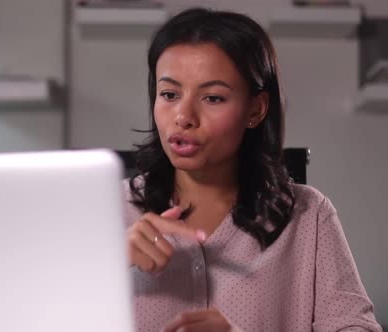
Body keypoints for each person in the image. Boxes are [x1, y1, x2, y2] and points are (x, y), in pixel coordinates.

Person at [124, 7, 382, 332]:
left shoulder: (308, 215)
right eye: (169, 94)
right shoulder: (105, 212)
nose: (183, 116)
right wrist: (105, 266)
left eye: (213, 98)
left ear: (256, 109)